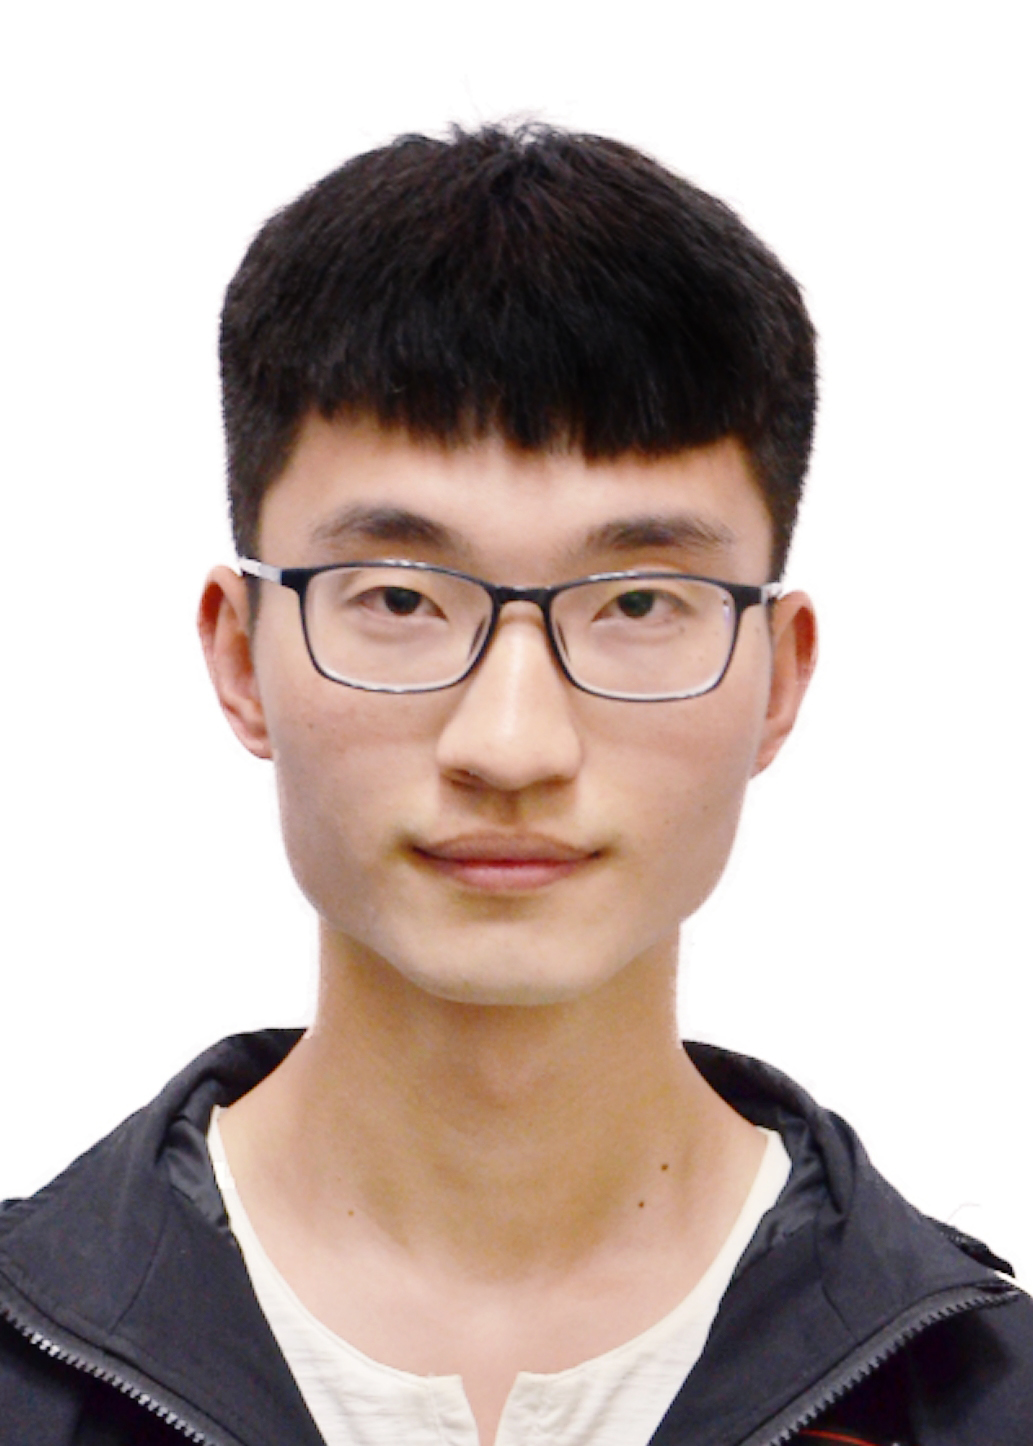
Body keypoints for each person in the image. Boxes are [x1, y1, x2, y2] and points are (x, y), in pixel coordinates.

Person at [0, 123, 1028, 1446]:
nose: (511, 745)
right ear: (239, 655)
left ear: (779, 676)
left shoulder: (987, 1400)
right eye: (399, 598)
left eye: (638, 602)